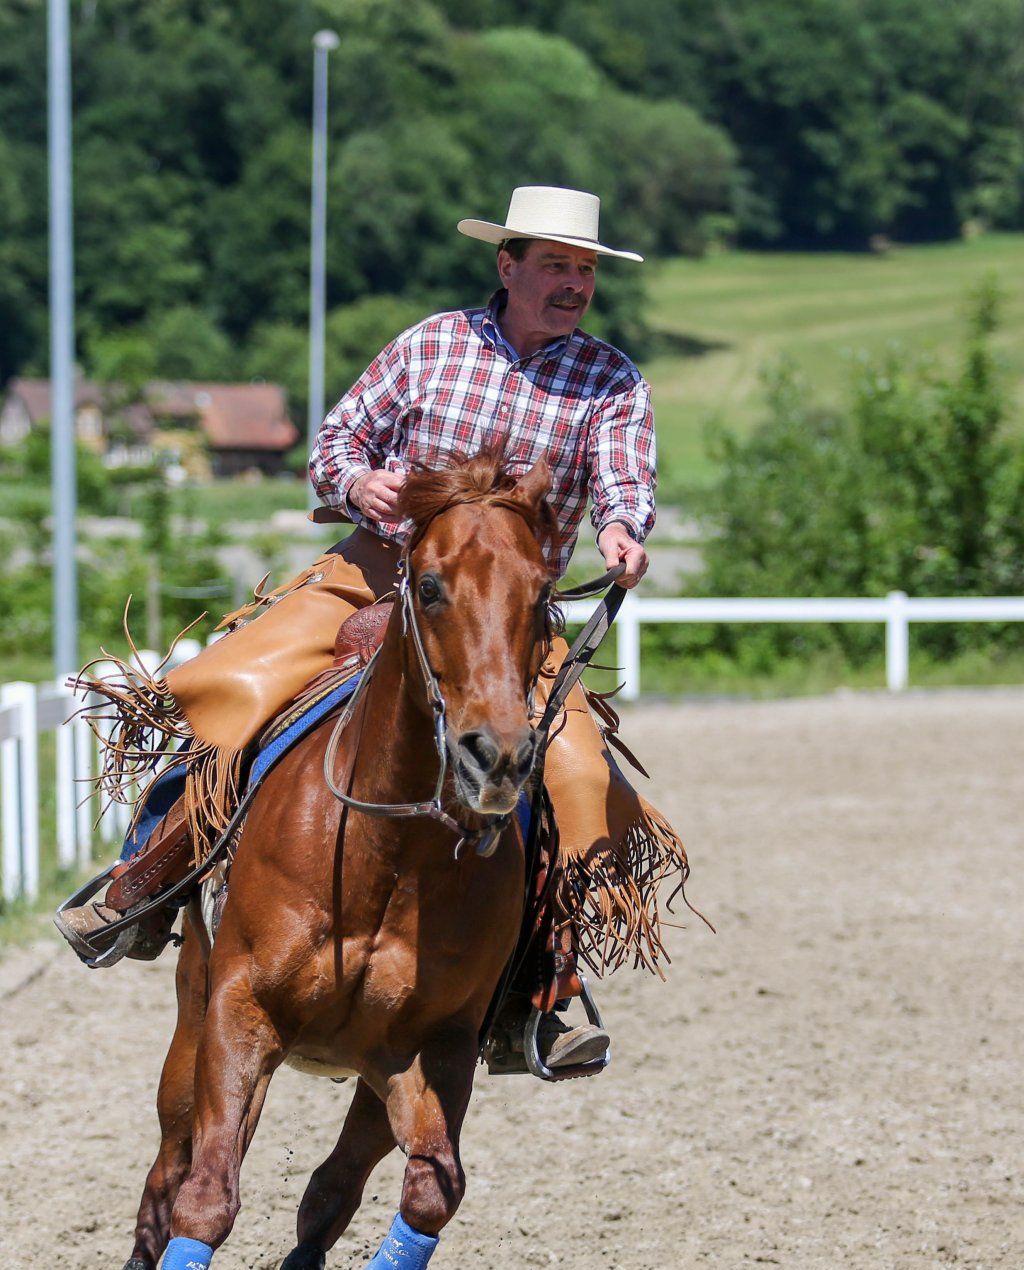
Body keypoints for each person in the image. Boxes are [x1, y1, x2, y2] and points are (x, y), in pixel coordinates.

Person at [57, 185, 687, 1072]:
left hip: (507, 615)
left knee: (579, 772)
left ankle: (548, 984)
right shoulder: (431, 345)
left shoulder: (612, 381)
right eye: (554, 264)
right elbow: (335, 442)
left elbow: (627, 482)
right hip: (375, 574)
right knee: (222, 688)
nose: (573, 282)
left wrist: (623, 530)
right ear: (506, 265)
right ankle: (142, 881)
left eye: (584, 267)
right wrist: (357, 486)